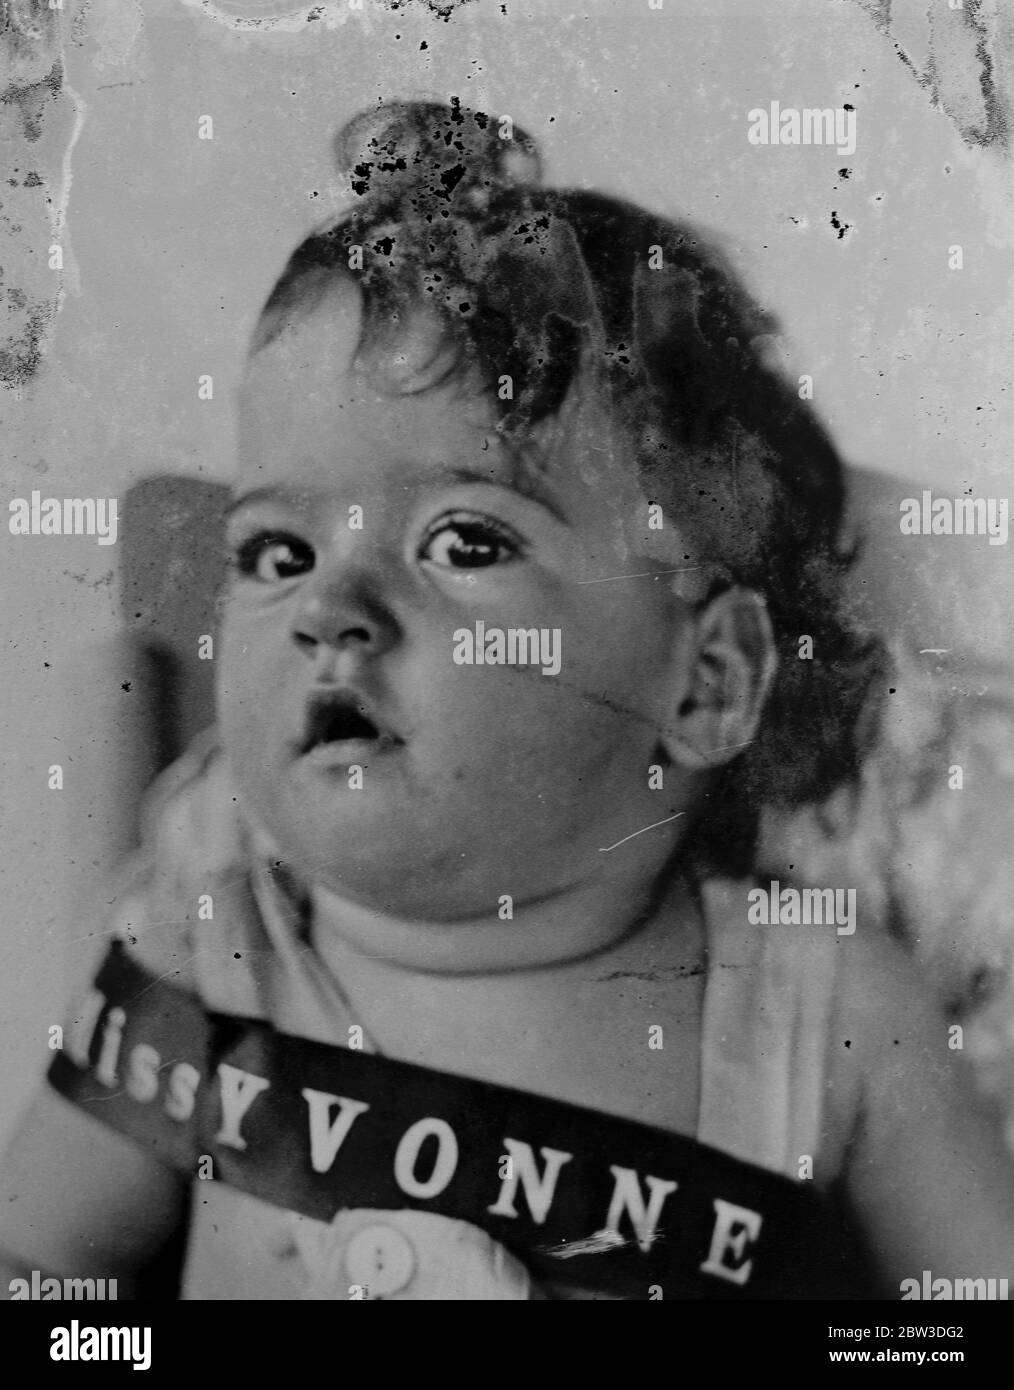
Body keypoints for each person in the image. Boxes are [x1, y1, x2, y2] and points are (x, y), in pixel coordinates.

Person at [2, 99, 1013, 1301]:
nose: (331, 608)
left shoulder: (828, 1012)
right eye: (277, 552)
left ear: (710, 679)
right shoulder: (201, 963)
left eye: (464, 540)